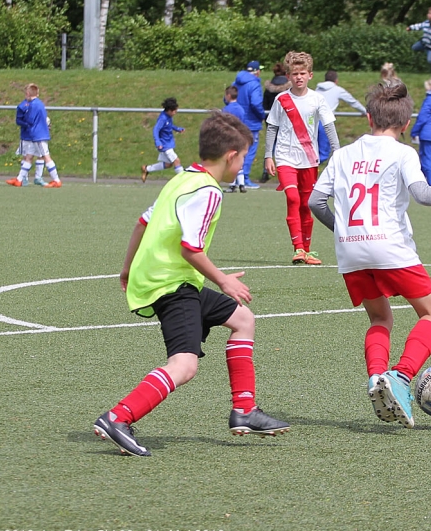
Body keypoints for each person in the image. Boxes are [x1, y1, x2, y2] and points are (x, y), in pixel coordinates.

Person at [94, 113, 291, 457]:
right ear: (231, 155)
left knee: (243, 320)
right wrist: (223, 280)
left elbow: (142, 223)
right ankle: (118, 417)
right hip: (172, 284)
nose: (243, 164)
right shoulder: (209, 191)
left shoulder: (182, 179)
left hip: (171, 278)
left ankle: (244, 410)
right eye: (244, 157)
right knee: (184, 365)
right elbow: (190, 248)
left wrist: (127, 268)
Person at [309, 79, 431, 428]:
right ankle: (401, 375)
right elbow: (423, 194)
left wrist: (344, 230)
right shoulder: (403, 153)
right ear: (406, 123)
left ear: (369, 118)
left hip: (351, 251)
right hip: (391, 247)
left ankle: (376, 378)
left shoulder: (342, 154)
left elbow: (315, 202)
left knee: (380, 320)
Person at [264, 51, 341, 265]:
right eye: (295, 73)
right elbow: (272, 128)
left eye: (302, 73)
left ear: (310, 75)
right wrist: (268, 156)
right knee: (293, 198)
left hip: (309, 159)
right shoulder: (281, 99)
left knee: (307, 205)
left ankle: (306, 250)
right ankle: (297, 248)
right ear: (289, 76)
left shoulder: (317, 99)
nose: (298, 77)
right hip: (285, 158)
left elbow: (328, 126)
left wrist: (337, 152)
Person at [6, 83, 63, 188]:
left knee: (46, 157)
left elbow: (30, 120)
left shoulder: (33, 105)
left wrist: (25, 119)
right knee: (29, 157)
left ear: (28, 93)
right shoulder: (40, 103)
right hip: (35, 136)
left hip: (38, 136)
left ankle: (56, 180)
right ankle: (19, 179)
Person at [315, 70, 367, 163]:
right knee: (323, 153)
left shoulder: (317, 89)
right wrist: (366, 111)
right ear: (336, 80)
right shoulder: (338, 90)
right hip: (325, 122)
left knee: (313, 149)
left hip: (312, 120)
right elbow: (353, 102)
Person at [230, 60, 266, 189]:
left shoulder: (235, 82)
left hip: (235, 122)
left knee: (236, 150)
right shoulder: (254, 84)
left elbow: (227, 99)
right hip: (251, 123)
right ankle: (244, 178)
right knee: (248, 151)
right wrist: (262, 115)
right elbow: (256, 103)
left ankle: (234, 177)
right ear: (257, 71)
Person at [140, 98, 184, 183]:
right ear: (169, 110)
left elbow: (169, 126)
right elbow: (155, 130)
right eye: (174, 111)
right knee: (176, 161)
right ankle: (183, 180)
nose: (176, 112)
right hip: (164, 145)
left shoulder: (168, 117)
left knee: (168, 164)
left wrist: (177, 129)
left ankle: (146, 169)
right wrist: (158, 142)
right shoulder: (162, 118)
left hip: (168, 143)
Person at [260, 62, 291, 184]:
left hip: (271, 120)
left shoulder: (269, 88)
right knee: (287, 147)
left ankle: (265, 172)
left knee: (270, 147)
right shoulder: (289, 88)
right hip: (286, 120)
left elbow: (264, 105)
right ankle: (287, 173)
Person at [406, 6, 431, 75]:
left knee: (430, 60)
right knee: (414, 47)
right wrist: (410, 28)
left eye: (430, 13)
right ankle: (422, 54)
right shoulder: (426, 23)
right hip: (423, 43)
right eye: (428, 13)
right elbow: (419, 26)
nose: (428, 15)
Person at [223, 86, 247, 192]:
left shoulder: (226, 110)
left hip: (229, 137)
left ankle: (232, 185)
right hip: (240, 136)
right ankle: (242, 184)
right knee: (239, 159)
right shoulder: (241, 109)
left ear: (228, 96)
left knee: (230, 160)